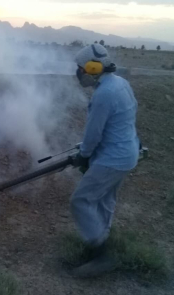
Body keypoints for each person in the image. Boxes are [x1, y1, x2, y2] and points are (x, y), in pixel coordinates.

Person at [70, 44, 140, 278]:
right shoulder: (121, 83)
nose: (79, 73)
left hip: (112, 158)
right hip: (127, 154)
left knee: (80, 200)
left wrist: (84, 156)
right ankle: (103, 236)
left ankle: (101, 254)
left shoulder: (103, 95)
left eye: (81, 68)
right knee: (105, 199)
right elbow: (128, 116)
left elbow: (93, 134)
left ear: (92, 68)